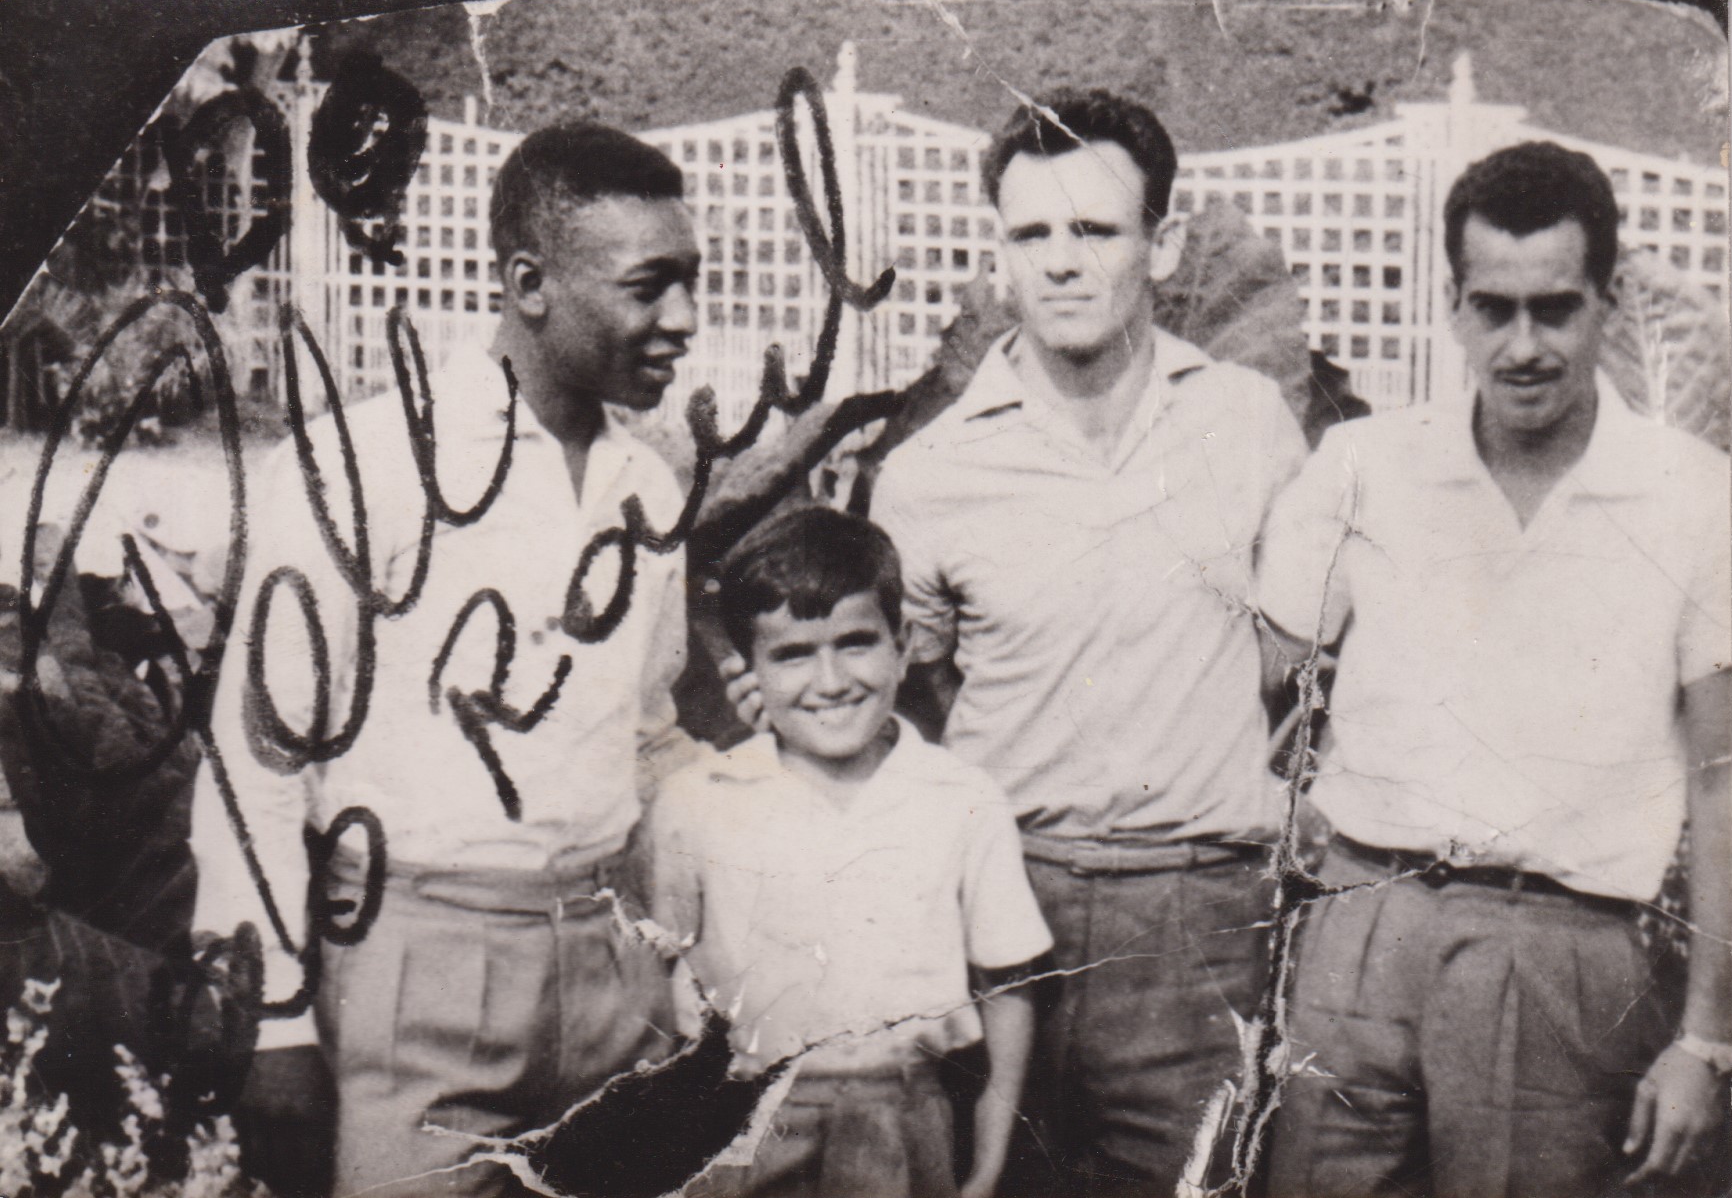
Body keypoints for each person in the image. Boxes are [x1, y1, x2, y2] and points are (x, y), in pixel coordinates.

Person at [721, 89, 1309, 1194]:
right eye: (1029, 234)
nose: (1059, 263)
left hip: (1192, 920)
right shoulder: (930, 472)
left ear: (1163, 242)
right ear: (998, 253)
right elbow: (915, 687)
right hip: (994, 909)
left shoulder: (1248, 424)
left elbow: (1302, 654)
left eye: (1093, 230)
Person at [191, 120, 702, 1197]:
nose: (683, 320)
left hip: (608, 972)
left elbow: (644, 732)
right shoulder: (363, 463)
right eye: (647, 286)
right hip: (414, 962)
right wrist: (274, 1014)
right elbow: (258, 759)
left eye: (689, 282)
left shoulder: (649, 492)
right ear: (529, 282)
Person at [1258, 140, 1732, 1196]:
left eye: (1554, 308)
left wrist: (1706, 1034)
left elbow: (1722, 778)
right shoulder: (1364, 467)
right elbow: (1255, 671)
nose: (1521, 345)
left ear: (1605, 300)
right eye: (1493, 308)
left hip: (1561, 947)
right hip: (1361, 923)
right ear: (1453, 305)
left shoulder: (1695, 499)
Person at [658, 506, 1051, 1198]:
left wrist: (988, 1160)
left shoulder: (959, 797)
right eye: (793, 654)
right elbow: (663, 985)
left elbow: (1009, 989)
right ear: (746, 667)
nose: (831, 680)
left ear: (903, 644)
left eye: (856, 642)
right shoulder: (701, 801)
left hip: (903, 1116)